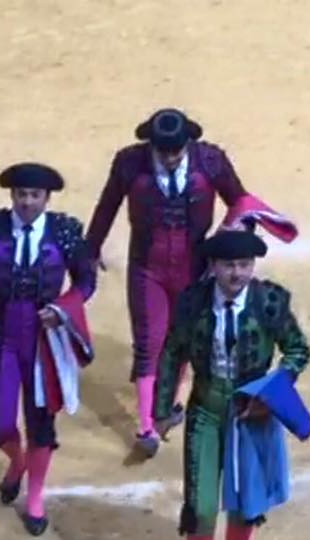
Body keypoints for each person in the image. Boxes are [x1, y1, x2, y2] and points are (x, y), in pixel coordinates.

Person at [84, 108, 299, 456]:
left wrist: (233, 237)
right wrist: (91, 248)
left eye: (176, 151)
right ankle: (147, 426)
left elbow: (242, 204)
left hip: (195, 268)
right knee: (149, 341)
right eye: (163, 151)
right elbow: (107, 206)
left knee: (183, 337)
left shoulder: (210, 162)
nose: (170, 158)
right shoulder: (130, 163)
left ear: (187, 144)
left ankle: (169, 406)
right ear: (151, 144)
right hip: (147, 268)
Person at [0, 163, 97, 536]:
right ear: (12, 195)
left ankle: (35, 498)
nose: (27, 202)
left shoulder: (64, 232)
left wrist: (63, 308)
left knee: (40, 420)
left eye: (35, 195)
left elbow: (86, 281)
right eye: (21, 194)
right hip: (2, 331)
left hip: (44, 336)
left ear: (47, 198)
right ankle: (17, 462)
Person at [151, 229, 310, 540]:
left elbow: (298, 350)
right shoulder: (193, 302)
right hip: (205, 410)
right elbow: (172, 353)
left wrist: (272, 395)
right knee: (201, 507)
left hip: (252, 411)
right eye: (228, 265)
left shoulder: (269, 302)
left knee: (245, 503)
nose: (237, 273)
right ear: (213, 266)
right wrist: (162, 410)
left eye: (244, 264)